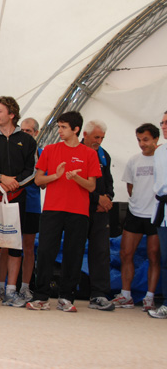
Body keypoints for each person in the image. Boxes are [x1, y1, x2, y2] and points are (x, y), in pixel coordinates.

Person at [26, 111, 101, 313]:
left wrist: (76, 178)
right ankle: (41, 296)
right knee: (45, 252)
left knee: (73, 254)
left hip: (78, 212)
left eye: (63, 127)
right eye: (58, 126)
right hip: (52, 209)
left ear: (76, 129)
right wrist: (56, 176)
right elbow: (38, 180)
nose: (59, 130)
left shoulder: (90, 154)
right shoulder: (49, 150)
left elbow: (92, 186)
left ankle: (66, 297)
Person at [0, 96, 36, 307]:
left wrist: (15, 183)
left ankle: (11, 291)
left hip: (17, 198)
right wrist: (0, 179)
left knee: (14, 244)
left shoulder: (28, 141)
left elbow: (32, 171)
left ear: (12, 114)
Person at [112, 123, 160, 311]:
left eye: (146, 139)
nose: (142, 144)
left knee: (154, 255)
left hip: (155, 215)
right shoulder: (133, 161)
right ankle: (126, 295)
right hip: (135, 213)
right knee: (125, 253)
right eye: (139, 140)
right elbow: (130, 188)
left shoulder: (162, 160)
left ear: (156, 139)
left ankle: (149, 297)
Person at [81, 120, 115, 311]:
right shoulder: (76, 153)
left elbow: (109, 181)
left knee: (101, 252)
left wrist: (107, 199)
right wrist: (97, 200)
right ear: (84, 134)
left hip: (101, 212)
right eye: (96, 137)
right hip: (81, 209)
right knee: (75, 249)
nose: (99, 141)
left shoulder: (104, 155)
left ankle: (99, 294)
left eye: (102, 138)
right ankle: (67, 293)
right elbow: (77, 183)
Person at [19, 117, 42, 301]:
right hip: (11, 203)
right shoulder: (14, 150)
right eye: (23, 130)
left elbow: (42, 182)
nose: (25, 134)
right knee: (6, 245)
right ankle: (4, 286)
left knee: (28, 247)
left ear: (36, 133)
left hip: (32, 205)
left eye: (29, 131)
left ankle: (25, 286)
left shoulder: (41, 153)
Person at [148, 112, 167, 319]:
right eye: (162, 123)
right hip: (163, 208)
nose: (163, 126)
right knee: (165, 258)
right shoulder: (160, 152)